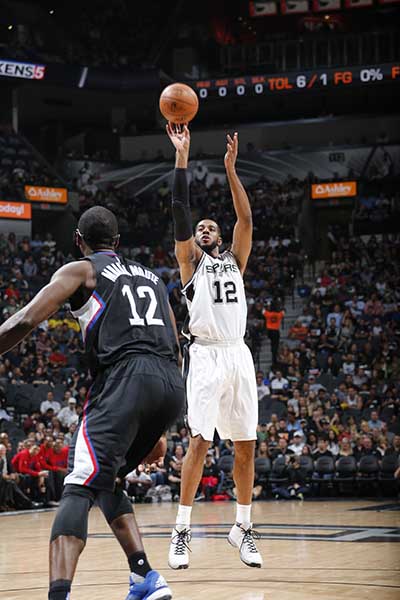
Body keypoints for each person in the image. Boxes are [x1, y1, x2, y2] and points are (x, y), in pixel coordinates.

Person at [0, 205, 185, 600]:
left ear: (79, 241)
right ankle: (145, 579)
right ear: (118, 243)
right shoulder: (153, 277)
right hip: (170, 383)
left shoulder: (82, 270)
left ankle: (57, 595)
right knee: (108, 478)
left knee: (77, 483)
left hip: (126, 379)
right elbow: (175, 341)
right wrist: (160, 424)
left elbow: (25, 320)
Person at [166, 124, 262, 569]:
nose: (203, 228)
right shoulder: (190, 263)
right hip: (204, 353)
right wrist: (182, 157)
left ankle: (242, 527)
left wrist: (230, 168)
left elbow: (245, 219)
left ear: (219, 237)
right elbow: (181, 210)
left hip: (238, 353)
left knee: (246, 446)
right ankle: (181, 529)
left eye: (210, 227)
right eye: (199, 228)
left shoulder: (235, 262)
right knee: (199, 442)